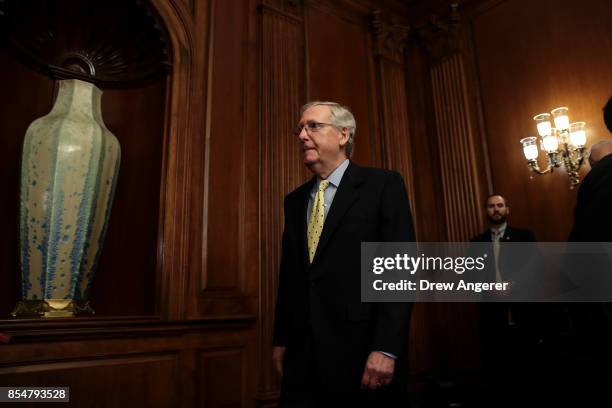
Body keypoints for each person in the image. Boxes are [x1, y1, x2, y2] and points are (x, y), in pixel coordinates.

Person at [272, 101, 415, 407]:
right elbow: (291, 275)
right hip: (302, 356)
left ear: (343, 135)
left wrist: (386, 348)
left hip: (361, 352)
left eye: (313, 126)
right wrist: (282, 339)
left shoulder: (383, 185)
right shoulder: (294, 201)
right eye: (299, 128)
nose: (301, 135)